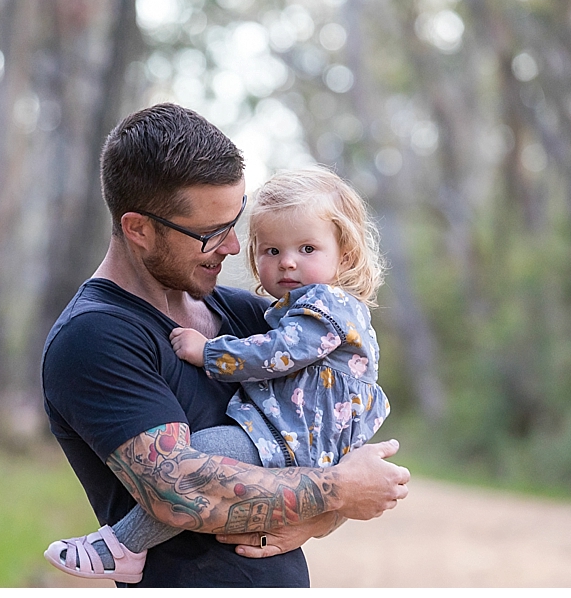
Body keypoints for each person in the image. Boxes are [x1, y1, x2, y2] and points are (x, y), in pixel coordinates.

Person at [40, 103, 410, 588]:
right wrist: (338, 493)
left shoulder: (247, 314)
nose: (234, 248)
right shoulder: (95, 338)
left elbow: (330, 429)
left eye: (234, 225)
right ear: (139, 229)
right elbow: (182, 489)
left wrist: (328, 512)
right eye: (211, 233)